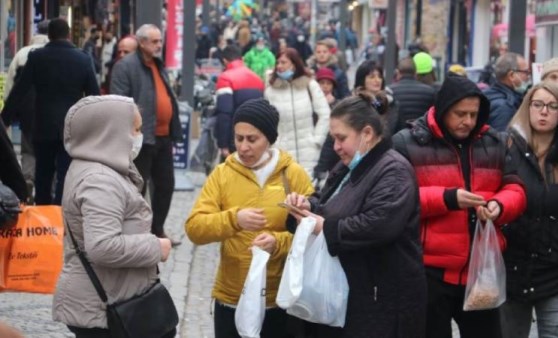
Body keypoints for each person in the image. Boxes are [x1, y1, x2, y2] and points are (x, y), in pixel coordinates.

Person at [392, 75, 527, 338]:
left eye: (473, 114)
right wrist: (448, 198)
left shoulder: (495, 142)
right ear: (442, 110)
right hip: (428, 271)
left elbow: (515, 188)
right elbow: (396, 198)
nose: (467, 121)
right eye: (460, 114)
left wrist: (499, 206)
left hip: (481, 271)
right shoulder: (406, 142)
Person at [285, 92, 427, 337]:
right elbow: (329, 201)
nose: (336, 147)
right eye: (333, 139)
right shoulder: (350, 164)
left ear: (367, 134)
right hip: (354, 293)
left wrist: (324, 227)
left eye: (341, 138)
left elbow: (379, 225)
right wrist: (307, 205)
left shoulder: (393, 170)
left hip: (382, 300)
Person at [186, 98, 314, 338]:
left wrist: (278, 243)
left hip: (279, 298)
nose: (243, 147)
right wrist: (234, 219)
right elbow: (195, 228)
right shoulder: (222, 174)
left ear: (269, 139)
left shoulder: (292, 175)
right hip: (232, 295)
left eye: (252, 139)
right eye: (238, 138)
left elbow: (312, 233)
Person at [52, 95, 175, 338]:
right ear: (111, 132)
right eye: (135, 130)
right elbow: (102, 246)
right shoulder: (100, 180)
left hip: (111, 296)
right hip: (102, 307)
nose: (139, 137)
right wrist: (156, 246)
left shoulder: (102, 168)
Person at [2, 18, 100, 205]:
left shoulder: (37, 57)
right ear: (69, 34)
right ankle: (60, 214)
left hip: (43, 124)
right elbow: (93, 96)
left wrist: (4, 120)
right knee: (66, 173)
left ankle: (43, 212)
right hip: (71, 126)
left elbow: (19, 90)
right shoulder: (83, 59)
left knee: (43, 174)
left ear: (49, 35)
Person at [110, 24, 183, 245]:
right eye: (154, 41)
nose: (159, 45)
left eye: (160, 41)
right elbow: (119, 101)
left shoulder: (158, 65)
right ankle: (135, 233)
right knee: (136, 188)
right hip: (142, 138)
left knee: (166, 185)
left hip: (163, 136)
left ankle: (157, 229)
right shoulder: (126, 66)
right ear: (141, 42)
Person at [500, 82, 558, 338]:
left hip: (554, 270)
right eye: (538, 105)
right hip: (512, 267)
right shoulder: (507, 148)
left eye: (553, 106)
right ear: (527, 107)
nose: (544, 112)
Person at [1, 19, 49, 202]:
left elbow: (11, 83)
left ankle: (28, 178)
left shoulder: (22, 53)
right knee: (48, 150)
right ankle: (48, 183)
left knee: (28, 148)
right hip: (50, 111)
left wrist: (8, 111)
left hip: (27, 109)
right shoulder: (56, 52)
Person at [265, 48, 330, 174]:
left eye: (283, 62)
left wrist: (317, 140)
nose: (279, 66)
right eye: (277, 63)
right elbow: (267, 121)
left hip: (309, 153)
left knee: (309, 190)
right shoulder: (270, 90)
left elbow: (325, 114)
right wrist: (274, 145)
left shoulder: (309, 85)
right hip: (282, 154)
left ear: (294, 65)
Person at [214, 44, 264, 158]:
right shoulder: (257, 79)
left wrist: (223, 144)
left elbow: (224, 114)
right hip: (255, 139)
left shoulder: (225, 78)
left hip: (236, 139)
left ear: (225, 61)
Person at [484, 52, 530, 131]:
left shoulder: (489, 93)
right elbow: (501, 141)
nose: (528, 77)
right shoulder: (505, 106)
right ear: (511, 75)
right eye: (526, 72)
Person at [389, 57, 436, 132]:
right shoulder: (429, 91)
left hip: (397, 137)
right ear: (415, 73)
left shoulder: (390, 91)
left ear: (398, 72)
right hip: (421, 136)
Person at [354, 60, 399, 136]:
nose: (377, 80)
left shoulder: (391, 102)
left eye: (380, 77)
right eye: (372, 77)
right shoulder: (355, 104)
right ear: (362, 80)